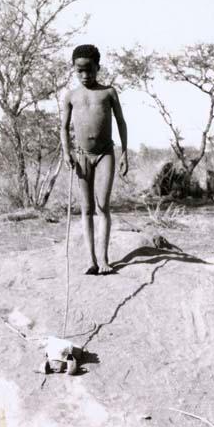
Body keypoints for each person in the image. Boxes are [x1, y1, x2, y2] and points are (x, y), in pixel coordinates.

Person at [61, 44, 128, 274]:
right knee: (87, 208)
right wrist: (66, 151)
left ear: (98, 67)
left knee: (103, 206)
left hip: (105, 154)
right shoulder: (71, 96)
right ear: (74, 69)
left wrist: (125, 152)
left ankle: (104, 259)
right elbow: (63, 127)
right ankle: (91, 260)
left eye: (89, 70)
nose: (85, 75)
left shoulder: (108, 92)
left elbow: (121, 122)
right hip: (81, 156)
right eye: (79, 71)